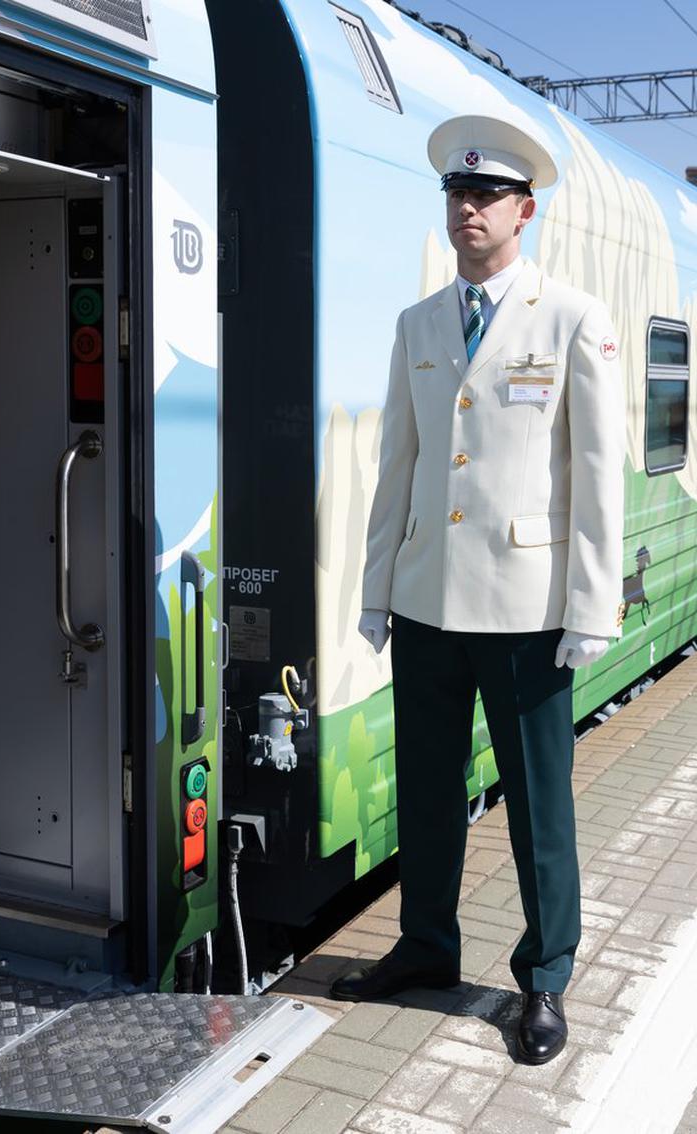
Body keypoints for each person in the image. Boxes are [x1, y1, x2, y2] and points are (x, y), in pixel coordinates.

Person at [329, 115, 625, 1066]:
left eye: (488, 194)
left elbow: (596, 475)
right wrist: (375, 592)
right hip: (428, 602)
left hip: (529, 612)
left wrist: (591, 607)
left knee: (539, 803)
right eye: (458, 193)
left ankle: (545, 977)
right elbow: (399, 467)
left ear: (524, 212)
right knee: (425, 790)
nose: (469, 208)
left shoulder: (570, 317)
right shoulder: (418, 323)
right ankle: (426, 946)